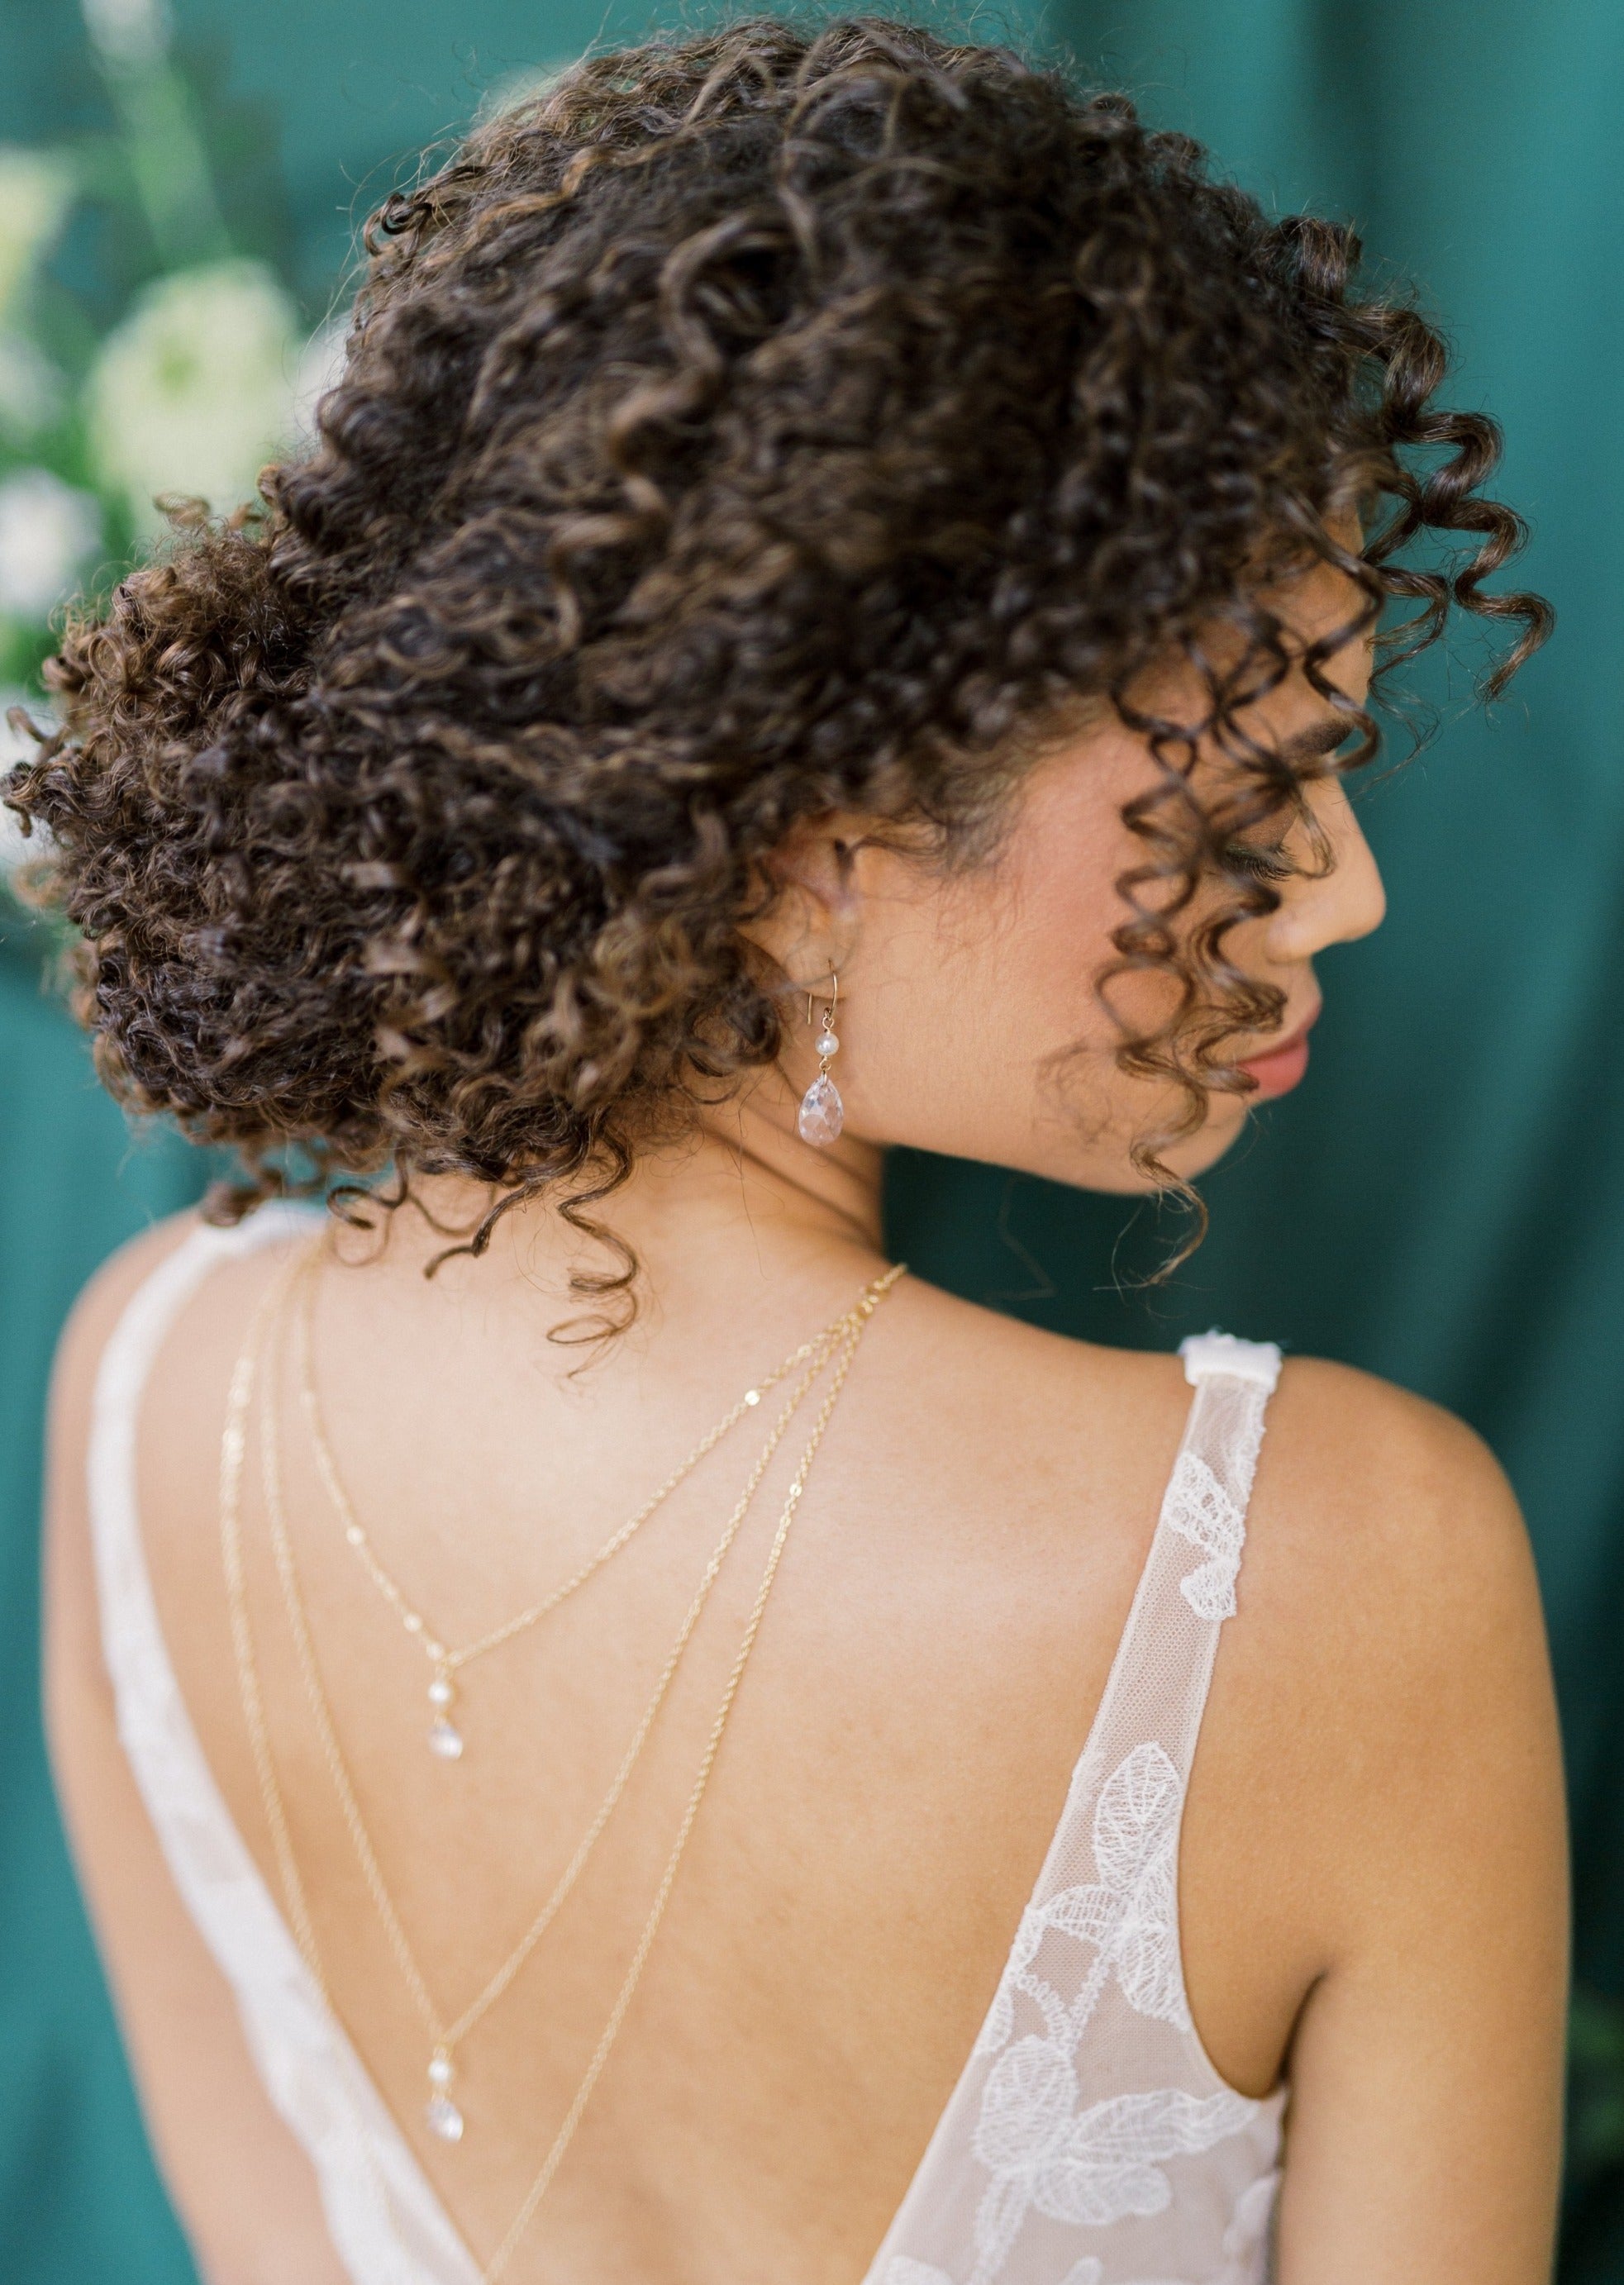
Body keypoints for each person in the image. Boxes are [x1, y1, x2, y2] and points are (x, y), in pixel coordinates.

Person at [11, 20, 1565, 2285]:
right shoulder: (1341, 1571)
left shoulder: (144, 1385)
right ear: (817, 829)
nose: (1346, 896)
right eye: (1244, 790)